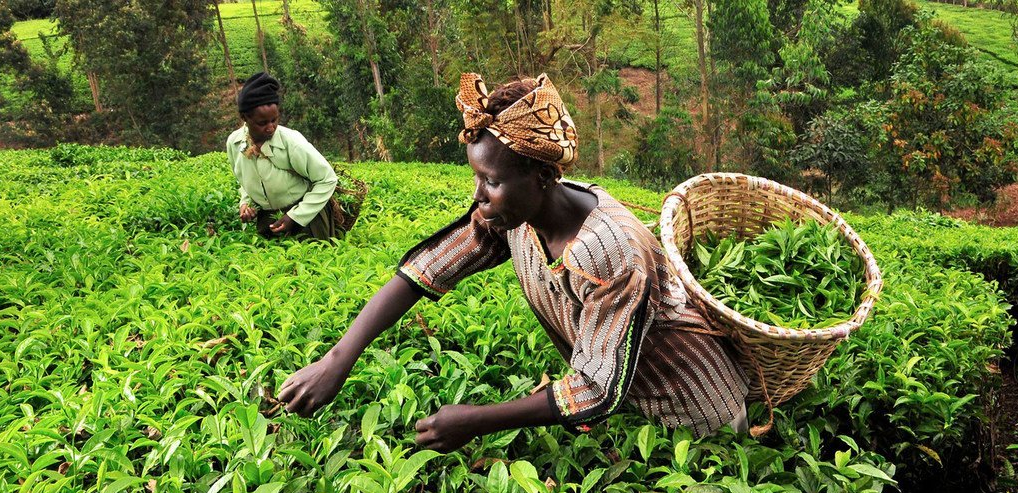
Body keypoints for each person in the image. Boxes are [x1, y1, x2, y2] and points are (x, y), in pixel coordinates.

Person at [278, 73, 749, 452]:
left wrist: (474, 420)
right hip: (629, 407)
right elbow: (430, 268)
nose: (479, 196)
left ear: (542, 176)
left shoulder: (611, 253)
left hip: (695, 413)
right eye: (476, 177)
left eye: (491, 181)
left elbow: (595, 390)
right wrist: (337, 359)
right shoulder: (514, 217)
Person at [227, 72, 342, 240]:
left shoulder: (291, 142)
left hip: (307, 220)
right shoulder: (235, 143)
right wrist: (246, 203)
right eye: (262, 123)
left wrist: (296, 216)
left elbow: (328, 179)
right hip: (269, 220)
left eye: (274, 120)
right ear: (244, 118)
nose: (270, 127)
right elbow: (244, 180)